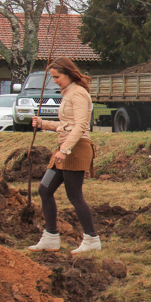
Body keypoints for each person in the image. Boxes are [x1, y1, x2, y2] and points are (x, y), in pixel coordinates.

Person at [28, 57, 100, 254]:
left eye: (57, 77)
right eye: (52, 77)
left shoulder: (78, 94)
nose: (55, 81)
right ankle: (51, 237)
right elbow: (66, 124)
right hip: (65, 148)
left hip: (75, 150)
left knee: (74, 195)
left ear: (68, 74)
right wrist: (44, 124)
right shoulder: (68, 93)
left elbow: (80, 127)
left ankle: (91, 238)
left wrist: (65, 149)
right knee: (44, 189)